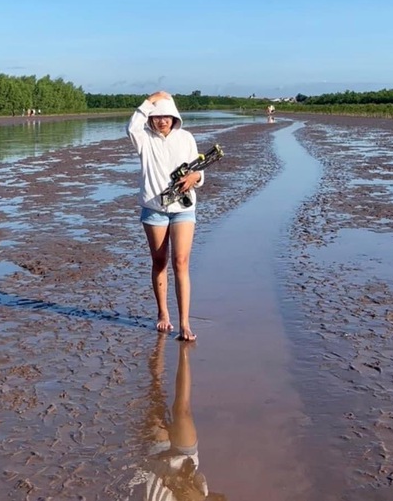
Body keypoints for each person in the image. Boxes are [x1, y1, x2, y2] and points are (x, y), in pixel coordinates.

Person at [127, 91, 204, 341]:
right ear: (151, 118)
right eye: (157, 116)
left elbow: (198, 172)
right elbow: (131, 126)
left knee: (181, 261)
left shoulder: (186, 138)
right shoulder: (143, 139)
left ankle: (184, 323)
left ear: (174, 118)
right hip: (154, 209)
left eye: (167, 116)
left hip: (183, 208)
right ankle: (163, 314)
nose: (162, 121)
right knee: (159, 261)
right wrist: (150, 100)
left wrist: (195, 177)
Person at [127, 336, 226, 500]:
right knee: (182, 410)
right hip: (184, 460)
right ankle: (184, 351)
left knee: (156, 400)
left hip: (157, 463)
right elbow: (218, 497)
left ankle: (156, 374)